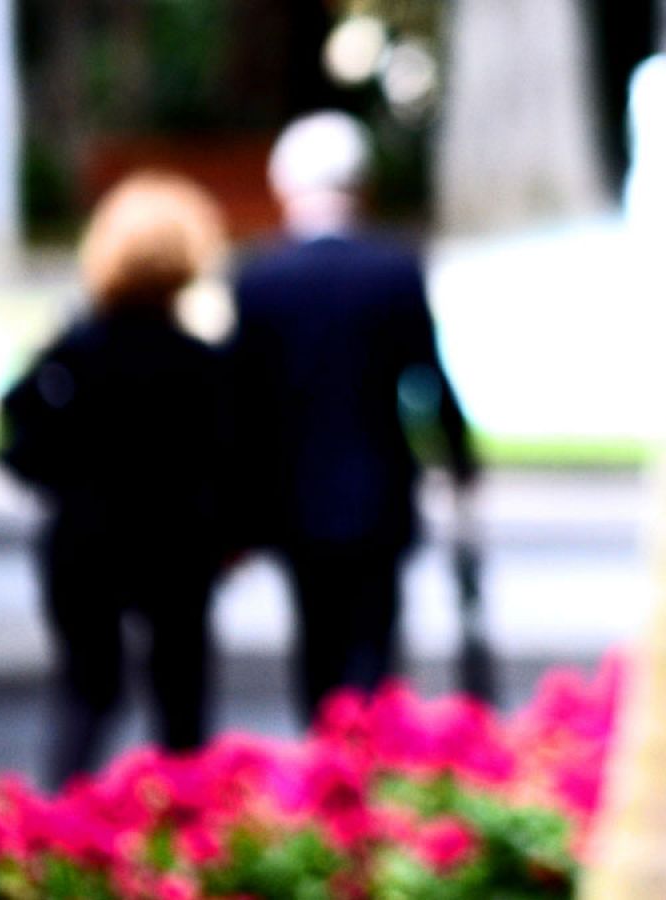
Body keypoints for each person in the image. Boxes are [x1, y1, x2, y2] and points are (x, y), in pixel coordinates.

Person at [230, 111, 479, 724]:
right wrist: (458, 459)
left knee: (314, 638)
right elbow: (428, 379)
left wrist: (234, 508)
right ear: (358, 182)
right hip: (378, 494)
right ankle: (364, 768)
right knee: (372, 645)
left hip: (292, 500)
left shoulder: (259, 279)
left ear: (285, 184)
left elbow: (240, 406)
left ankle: (324, 766)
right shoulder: (393, 270)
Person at [0, 172, 234, 788]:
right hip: (175, 544)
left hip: (85, 543)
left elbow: (20, 442)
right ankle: (189, 848)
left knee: (84, 694)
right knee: (182, 706)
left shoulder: (73, 352)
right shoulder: (199, 363)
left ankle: (60, 839)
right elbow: (230, 458)